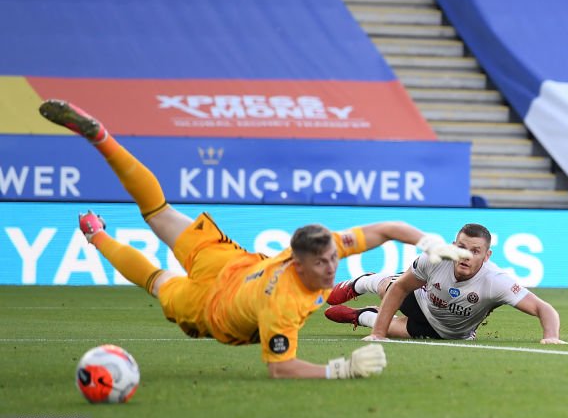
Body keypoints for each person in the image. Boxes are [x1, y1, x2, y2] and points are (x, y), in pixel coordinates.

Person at [39, 99, 467, 378]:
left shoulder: (320, 249)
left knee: (159, 212)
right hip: (211, 307)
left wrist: (426, 241)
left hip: (230, 264)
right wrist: (339, 370)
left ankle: (101, 140)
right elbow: (280, 369)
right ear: (298, 264)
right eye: (322, 265)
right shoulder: (282, 302)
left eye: (332, 259)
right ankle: (96, 232)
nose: (331, 267)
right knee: (156, 279)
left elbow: (386, 229)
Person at [324, 223, 568, 344]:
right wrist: (377, 336)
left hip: (449, 333)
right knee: (391, 287)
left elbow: (543, 308)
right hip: (421, 300)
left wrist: (551, 337)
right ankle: (362, 282)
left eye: (475, 251)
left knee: (390, 328)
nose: (466, 255)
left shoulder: (496, 282)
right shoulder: (435, 259)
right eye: (461, 248)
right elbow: (400, 289)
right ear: (453, 246)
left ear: (487, 256)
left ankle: (361, 316)